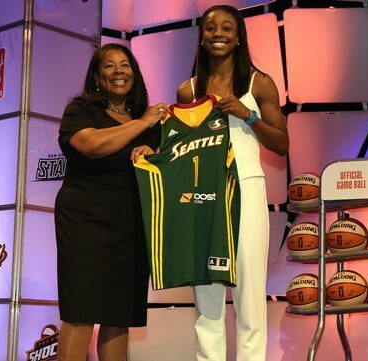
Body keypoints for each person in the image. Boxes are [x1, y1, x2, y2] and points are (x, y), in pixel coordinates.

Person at [176, 5, 289, 361]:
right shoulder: (188, 89)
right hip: (201, 195)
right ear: (202, 36)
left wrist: (248, 114)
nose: (218, 33)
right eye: (211, 28)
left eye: (227, 27)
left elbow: (281, 144)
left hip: (246, 187)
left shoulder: (260, 83)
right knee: (206, 297)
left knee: (250, 295)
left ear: (239, 37)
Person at [55, 43, 169, 361]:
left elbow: (164, 167)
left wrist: (153, 154)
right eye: (109, 66)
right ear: (96, 75)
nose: (119, 71)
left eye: (126, 65)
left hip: (132, 222)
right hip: (85, 222)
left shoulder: (150, 123)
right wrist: (143, 123)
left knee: (119, 314)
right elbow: (92, 145)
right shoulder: (80, 109)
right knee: (81, 309)